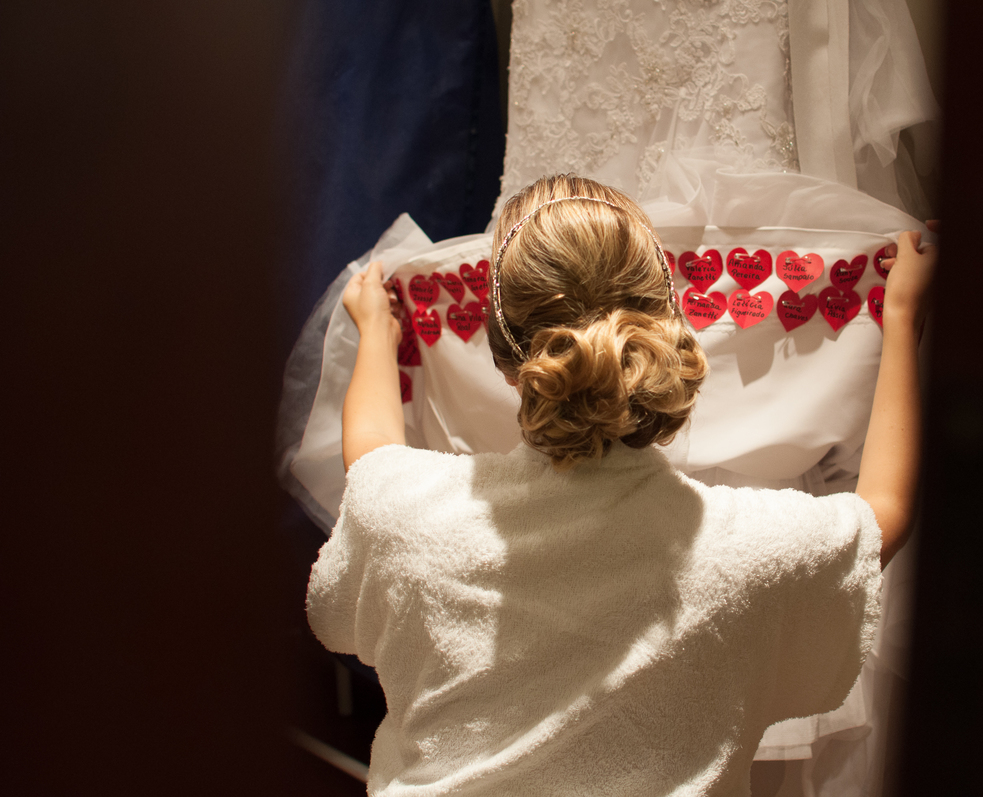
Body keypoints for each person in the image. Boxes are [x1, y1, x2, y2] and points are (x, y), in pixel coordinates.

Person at [306, 174, 937, 796]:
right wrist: (902, 315)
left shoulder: (407, 515)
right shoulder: (737, 551)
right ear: (662, 338)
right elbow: (885, 512)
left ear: (505, 360)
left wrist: (376, 334)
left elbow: (372, 454)